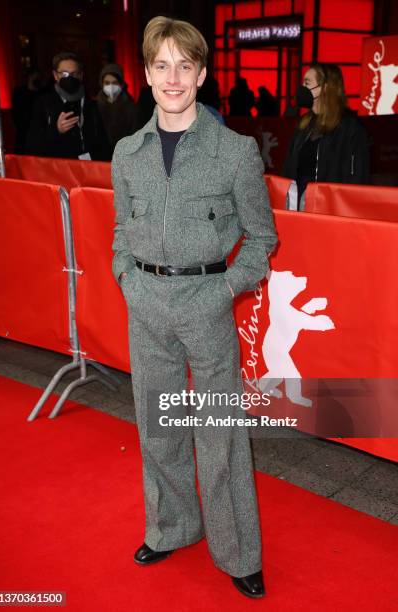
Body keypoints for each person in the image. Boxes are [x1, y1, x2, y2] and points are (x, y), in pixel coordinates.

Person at [111, 16, 277, 599]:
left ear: (202, 75)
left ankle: (238, 553)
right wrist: (125, 276)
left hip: (206, 305)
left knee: (219, 431)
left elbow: (261, 240)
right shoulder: (127, 152)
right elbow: (119, 227)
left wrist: (224, 290)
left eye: (185, 65)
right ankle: (172, 527)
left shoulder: (234, 152)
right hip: (146, 305)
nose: (173, 77)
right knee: (158, 428)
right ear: (149, 75)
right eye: (162, 65)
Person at [283, 63, 370, 207]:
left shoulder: (350, 128)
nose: (302, 88)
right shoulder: (303, 126)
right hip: (298, 207)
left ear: (325, 87)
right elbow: (288, 170)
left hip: (329, 209)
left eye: (307, 83)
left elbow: (358, 178)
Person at [26, 51, 110, 160]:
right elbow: (32, 146)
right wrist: (56, 130)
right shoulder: (43, 104)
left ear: (81, 75)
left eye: (74, 74)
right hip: (60, 169)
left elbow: (102, 141)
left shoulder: (91, 104)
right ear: (55, 75)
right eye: (64, 74)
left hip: (89, 168)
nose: (70, 78)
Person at [96, 63, 140, 155]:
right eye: (107, 83)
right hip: (100, 157)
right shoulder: (94, 106)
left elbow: (136, 135)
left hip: (124, 156)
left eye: (114, 83)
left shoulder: (131, 107)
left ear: (121, 84)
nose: (111, 86)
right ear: (102, 83)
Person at [12, 68, 43, 154]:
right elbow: (16, 113)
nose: (38, 78)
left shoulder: (42, 93)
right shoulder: (19, 92)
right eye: (35, 75)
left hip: (38, 133)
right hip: (23, 132)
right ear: (30, 77)